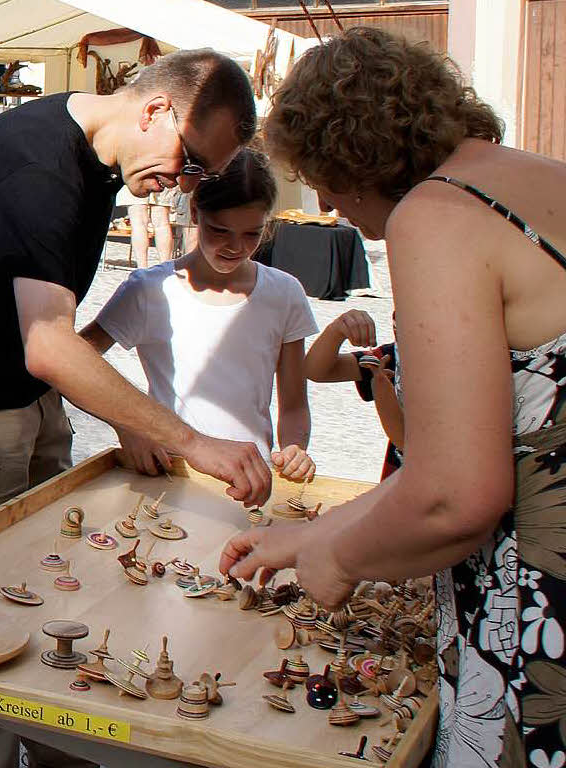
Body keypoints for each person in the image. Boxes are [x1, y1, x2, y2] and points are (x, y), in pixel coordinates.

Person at [0, 49, 268, 768]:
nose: (185, 187)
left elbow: (19, 270)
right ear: (154, 111)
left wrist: (121, 414)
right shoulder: (41, 169)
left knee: (44, 579)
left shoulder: (90, 149)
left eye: (201, 176)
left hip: (20, 387)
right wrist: (195, 442)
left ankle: (52, 740)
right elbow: (50, 344)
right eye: (192, 162)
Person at [218, 27, 566, 768]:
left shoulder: (438, 215)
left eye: (320, 176)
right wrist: (310, 534)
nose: (327, 204)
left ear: (351, 156)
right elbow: (471, 448)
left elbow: (455, 495)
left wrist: (339, 559)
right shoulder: (540, 176)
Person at [81, 148, 317, 482]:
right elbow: (80, 354)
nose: (236, 247)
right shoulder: (152, 288)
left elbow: (293, 403)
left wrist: (295, 449)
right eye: (220, 231)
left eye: (252, 233)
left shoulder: (285, 292)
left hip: (250, 476)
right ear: (195, 212)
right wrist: (127, 424)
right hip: (171, 473)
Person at [305, 309, 404, 480]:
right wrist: (336, 330)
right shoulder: (394, 357)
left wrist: (382, 389)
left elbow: (404, 440)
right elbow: (317, 371)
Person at [116, 186, 175, 267]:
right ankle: (165, 268)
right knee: (162, 224)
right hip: (162, 177)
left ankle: (142, 268)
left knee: (138, 224)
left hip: (136, 177)